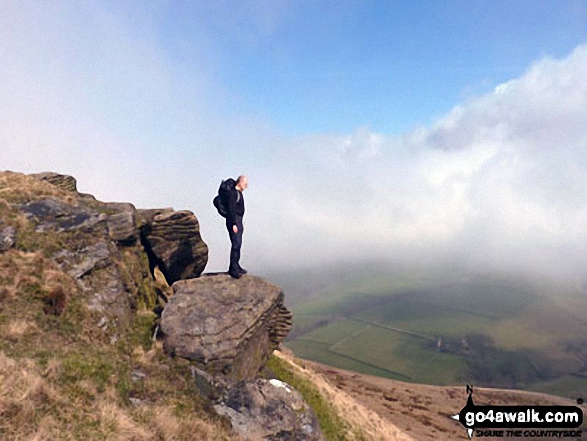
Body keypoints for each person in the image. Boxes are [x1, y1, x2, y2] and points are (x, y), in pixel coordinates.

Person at [225, 175, 248, 279]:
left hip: (238, 221)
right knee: (236, 244)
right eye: (245, 183)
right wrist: (234, 223)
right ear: (240, 182)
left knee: (238, 244)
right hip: (234, 221)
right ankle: (233, 269)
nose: (246, 185)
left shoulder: (239, 193)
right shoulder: (233, 193)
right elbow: (232, 209)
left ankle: (236, 266)